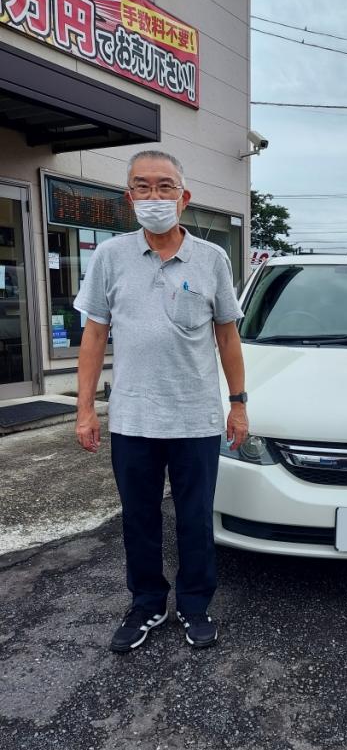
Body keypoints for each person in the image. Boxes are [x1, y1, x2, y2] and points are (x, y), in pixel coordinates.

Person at [74, 150, 248, 653]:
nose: (154, 196)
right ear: (129, 197)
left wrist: (238, 403)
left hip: (195, 417)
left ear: (184, 196)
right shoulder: (109, 257)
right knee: (140, 518)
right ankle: (147, 604)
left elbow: (228, 337)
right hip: (133, 417)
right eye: (142, 187)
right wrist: (85, 408)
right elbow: (94, 335)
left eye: (165, 186)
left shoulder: (212, 259)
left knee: (195, 518)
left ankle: (195, 606)